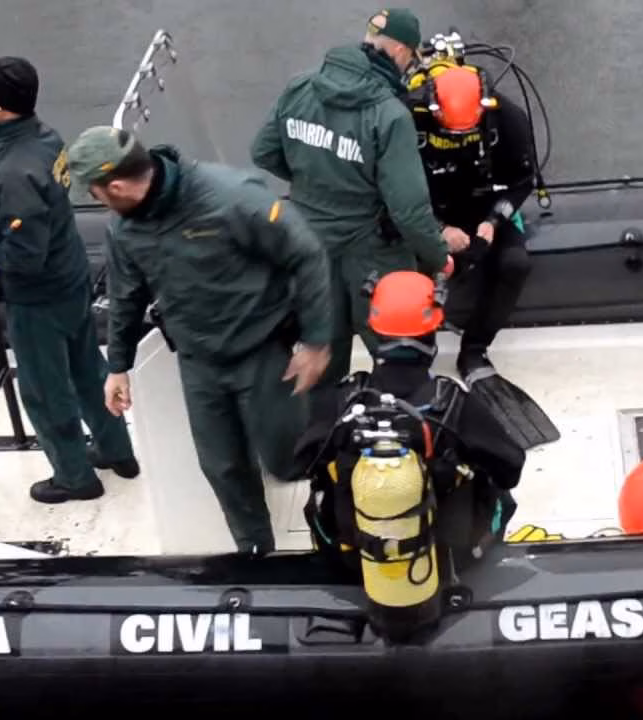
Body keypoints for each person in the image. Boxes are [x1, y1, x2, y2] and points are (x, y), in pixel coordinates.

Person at [66, 125, 333, 555]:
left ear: (115, 187)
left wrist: (316, 341)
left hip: (263, 350)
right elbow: (126, 296)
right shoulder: (124, 229)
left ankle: (333, 527)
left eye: (94, 192)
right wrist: (118, 366)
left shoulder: (230, 197)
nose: (96, 201)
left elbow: (306, 253)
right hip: (199, 362)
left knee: (290, 458)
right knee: (222, 467)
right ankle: (255, 553)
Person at [0, 56, 138, 504]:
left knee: (44, 392)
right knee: (88, 370)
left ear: (2, 105)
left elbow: (22, 257)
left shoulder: (13, 177)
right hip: (71, 275)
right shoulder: (44, 137)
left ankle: (75, 478)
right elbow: (0, 134)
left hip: (39, 300)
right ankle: (117, 451)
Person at [250, 8, 461, 390]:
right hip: (373, 250)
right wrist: (437, 256)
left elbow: (263, 152)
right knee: (399, 349)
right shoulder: (389, 114)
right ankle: (403, 414)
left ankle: (325, 423)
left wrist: (313, 181)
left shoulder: (301, 86)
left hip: (309, 242)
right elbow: (408, 210)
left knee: (321, 348)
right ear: (402, 50)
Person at [293, 270, 525, 577]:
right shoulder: (456, 404)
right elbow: (510, 468)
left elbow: (303, 461)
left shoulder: (343, 400)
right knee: (499, 492)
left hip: (354, 559)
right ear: (433, 331)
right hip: (442, 560)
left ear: (375, 330)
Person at [403, 60, 557, 450]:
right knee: (411, 272)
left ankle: (474, 349)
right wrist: (438, 230)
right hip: (426, 211)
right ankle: (415, 346)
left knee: (514, 265)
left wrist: (492, 221)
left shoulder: (508, 118)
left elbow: (522, 179)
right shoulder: (406, 117)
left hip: (484, 208)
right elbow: (392, 186)